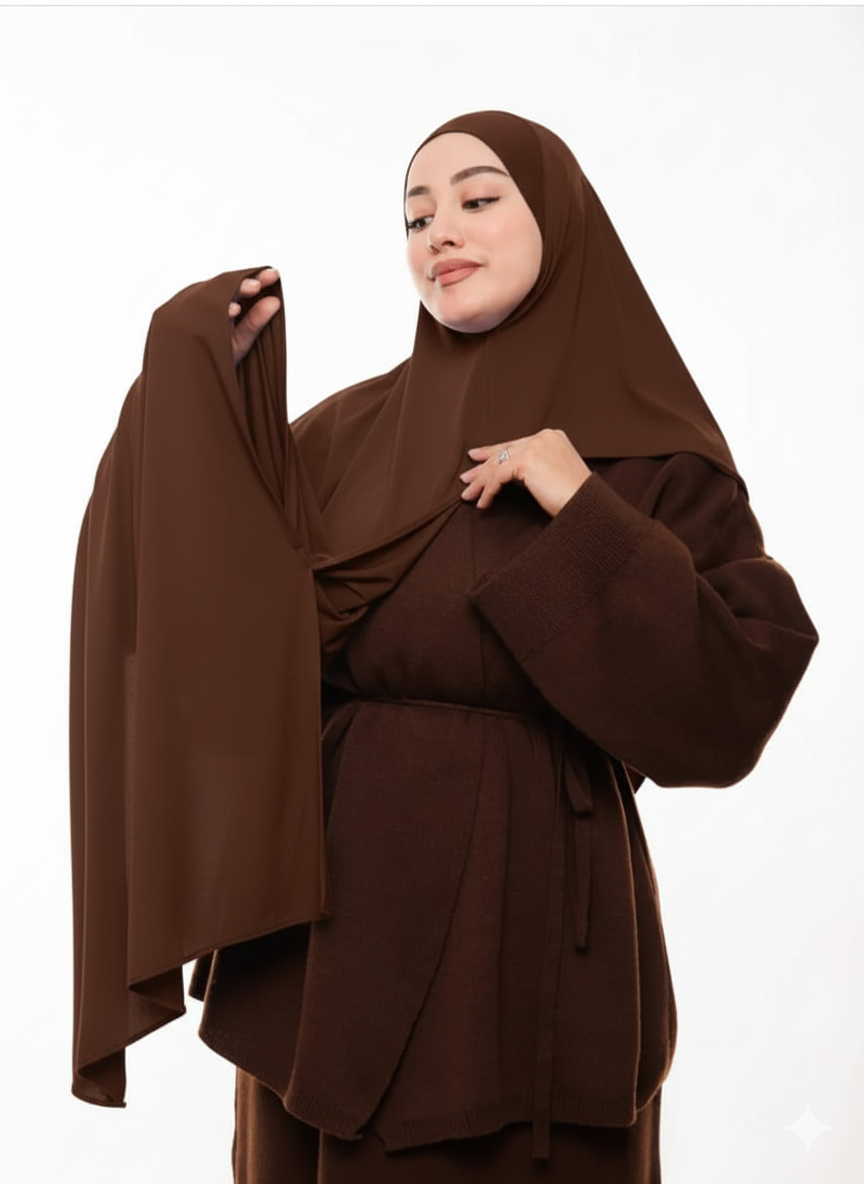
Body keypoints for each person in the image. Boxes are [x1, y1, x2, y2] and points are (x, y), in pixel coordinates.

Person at [70, 112, 818, 1184]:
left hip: (523, 952)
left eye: (478, 199)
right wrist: (197, 386)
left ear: (559, 221)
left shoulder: (652, 454)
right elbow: (200, 618)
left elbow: (730, 704)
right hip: (327, 955)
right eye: (416, 217)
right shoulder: (344, 436)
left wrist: (583, 508)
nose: (440, 234)